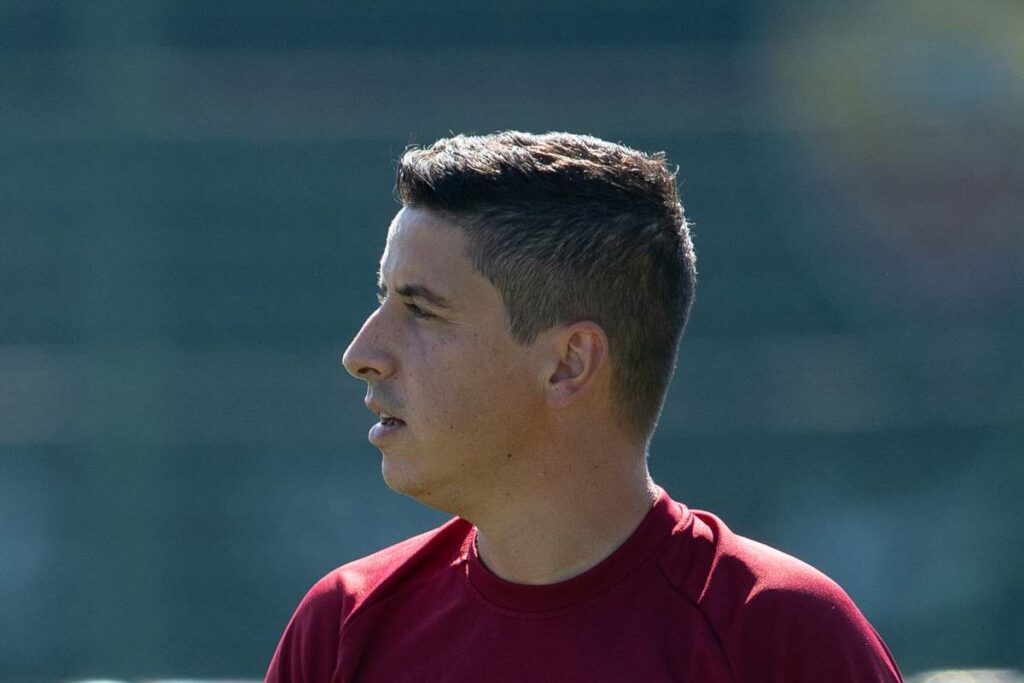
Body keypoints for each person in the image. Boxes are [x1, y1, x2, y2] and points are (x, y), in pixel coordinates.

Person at [265, 131, 902, 682]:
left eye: (421, 310)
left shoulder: (779, 637)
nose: (362, 353)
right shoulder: (343, 628)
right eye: (383, 299)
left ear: (569, 363)